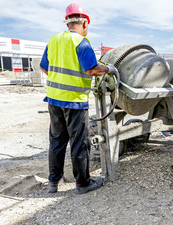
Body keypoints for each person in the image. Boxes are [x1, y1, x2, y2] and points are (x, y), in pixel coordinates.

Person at [40, 3, 118, 194]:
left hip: (53, 99)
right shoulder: (81, 42)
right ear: (84, 22)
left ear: (67, 23)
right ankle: (83, 183)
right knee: (79, 142)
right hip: (74, 100)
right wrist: (109, 69)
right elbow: (91, 69)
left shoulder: (54, 40)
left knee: (57, 141)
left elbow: (44, 67)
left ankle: (53, 182)